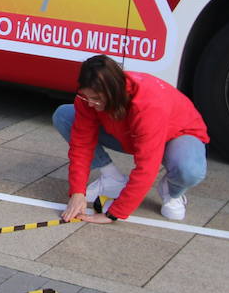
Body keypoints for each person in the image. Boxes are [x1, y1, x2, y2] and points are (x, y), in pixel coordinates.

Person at [55, 54, 209, 224]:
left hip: (176, 136)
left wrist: (113, 214)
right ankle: (111, 178)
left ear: (114, 91)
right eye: (86, 96)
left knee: (190, 170)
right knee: (64, 115)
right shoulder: (87, 98)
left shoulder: (148, 105)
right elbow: (81, 145)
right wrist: (77, 192)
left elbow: (146, 168)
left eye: (97, 99)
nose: (90, 103)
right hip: (130, 134)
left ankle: (172, 191)